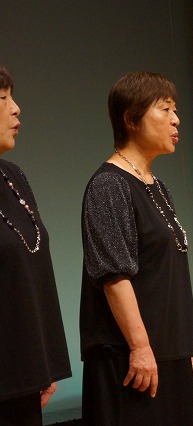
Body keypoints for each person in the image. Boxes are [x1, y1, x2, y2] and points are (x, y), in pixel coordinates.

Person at [80, 71, 193, 425]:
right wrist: (141, 347)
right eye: (165, 109)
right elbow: (113, 276)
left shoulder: (157, 186)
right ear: (131, 119)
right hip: (131, 361)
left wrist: (183, 350)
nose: (176, 119)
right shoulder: (109, 185)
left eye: (175, 110)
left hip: (167, 354)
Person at [0, 65, 71, 425]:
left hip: (23, 375)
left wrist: (42, 361)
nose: (16, 108)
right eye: (3, 98)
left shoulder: (13, 176)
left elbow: (33, 270)